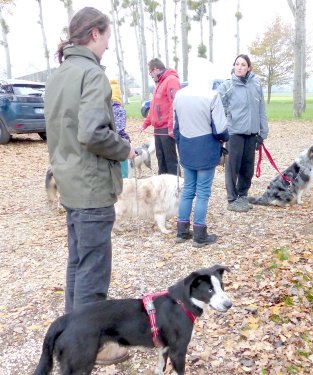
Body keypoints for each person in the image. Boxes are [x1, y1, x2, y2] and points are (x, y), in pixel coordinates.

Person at [44, 7, 135, 365]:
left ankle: (73, 331)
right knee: (93, 272)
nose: (109, 46)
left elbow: (59, 133)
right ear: (95, 34)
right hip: (92, 186)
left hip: (69, 182)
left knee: (78, 263)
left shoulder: (58, 75)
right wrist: (125, 147)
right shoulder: (92, 75)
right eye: (108, 37)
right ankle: (91, 344)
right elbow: (93, 133)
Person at [173, 59, 229, 247]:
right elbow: (220, 128)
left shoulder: (179, 95)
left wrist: (181, 144)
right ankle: (199, 234)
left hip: (186, 147)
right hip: (206, 148)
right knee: (203, 192)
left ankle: (181, 231)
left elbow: (176, 125)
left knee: (188, 190)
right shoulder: (212, 96)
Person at [217, 54, 269, 212]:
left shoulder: (256, 84)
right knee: (233, 166)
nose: (239, 67)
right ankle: (232, 199)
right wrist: (225, 124)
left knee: (248, 167)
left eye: (243, 65)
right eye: (237, 64)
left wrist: (262, 132)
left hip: (252, 133)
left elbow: (261, 110)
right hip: (235, 132)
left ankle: (242, 194)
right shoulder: (227, 86)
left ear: (249, 68)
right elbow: (218, 106)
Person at [140, 58, 181, 175]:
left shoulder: (171, 80)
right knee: (161, 160)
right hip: (158, 130)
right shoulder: (159, 84)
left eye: (150, 73)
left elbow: (175, 105)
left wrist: (171, 127)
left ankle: (176, 187)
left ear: (156, 69)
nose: (151, 76)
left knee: (170, 161)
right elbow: (153, 107)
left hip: (166, 129)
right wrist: (145, 124)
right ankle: (162, 188)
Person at [110, 79, 131, 177]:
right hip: (119, 145)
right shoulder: (120, 110)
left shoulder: (104, 110)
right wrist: (127, 141)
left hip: (107, 144)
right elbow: (119, 130)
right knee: (123, 174)